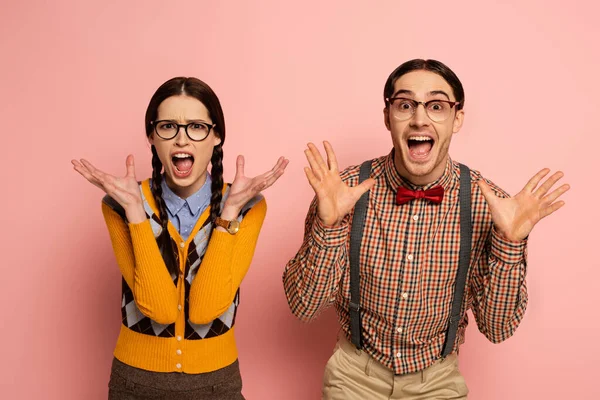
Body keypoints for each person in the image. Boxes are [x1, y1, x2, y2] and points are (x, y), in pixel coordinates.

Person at [282, 59, 569, 399]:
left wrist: (509, 243)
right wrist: (328, 226)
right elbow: (304, 308)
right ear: (387, 116)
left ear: (456, 118)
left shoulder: (486, 204)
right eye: (405, 105)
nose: (420, 118)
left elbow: (498, 329)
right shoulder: (342, 192)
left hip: (437, 379)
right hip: (353, 374)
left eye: (436, 105)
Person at [72, 77, 288, 399]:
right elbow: (158, 309)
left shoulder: (246, 206)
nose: (181, 140)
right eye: (168, 126)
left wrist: (227, 215)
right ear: (152, 137)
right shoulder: (121, 204)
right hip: (135, 384)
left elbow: (204, 310)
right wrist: (135, 213)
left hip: (217, 384)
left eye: (196, 127)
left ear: (216, 136)